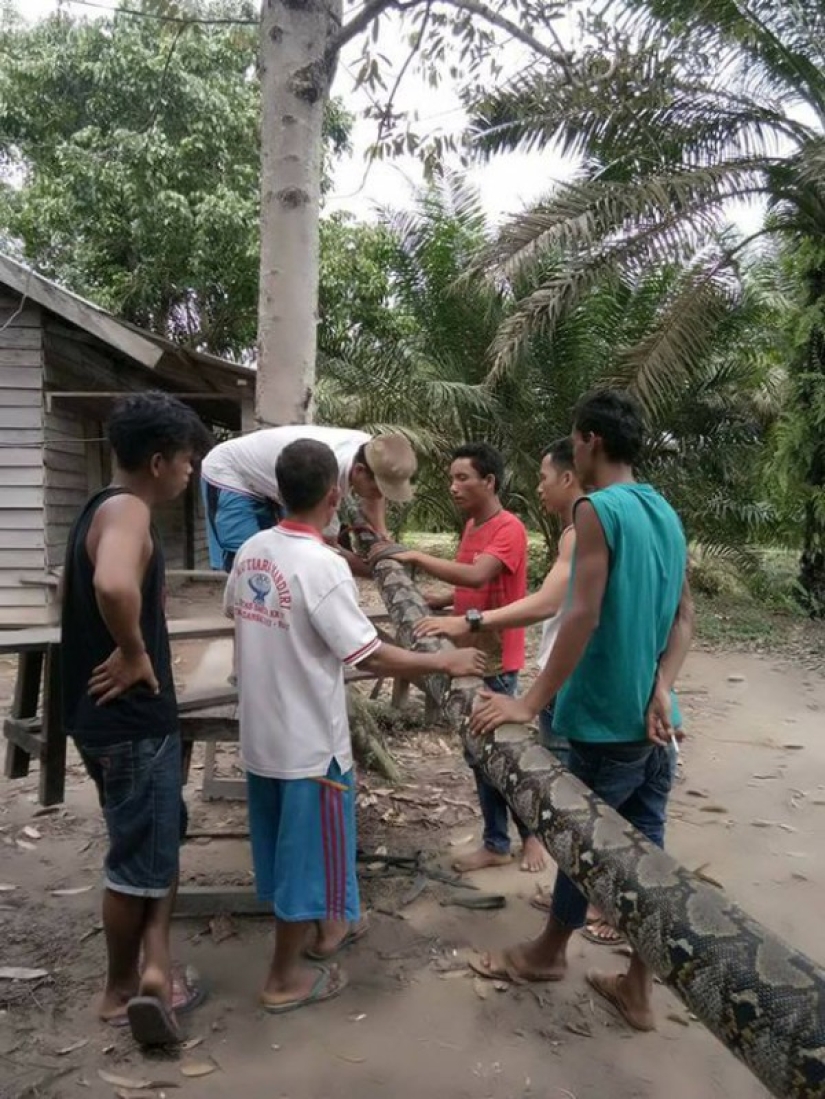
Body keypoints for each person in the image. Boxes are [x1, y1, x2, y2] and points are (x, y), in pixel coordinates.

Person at [224, 439, 486, 1014]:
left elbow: (238, 617)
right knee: (304, 860)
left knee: (286, 851)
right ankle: (283, 979)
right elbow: (368, 656)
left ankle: (331, 929)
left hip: (261, 737)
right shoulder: (322, 566)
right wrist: (442, 660)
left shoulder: (250, 552)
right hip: (309, 747)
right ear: (335, 495)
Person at [468, 389, 693, 1034]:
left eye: (574, 440)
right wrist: (662, 688)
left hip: (601, 720)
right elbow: (684, 619)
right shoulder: (664, 512)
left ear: (589, 440)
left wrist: (529, 699)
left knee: (580, 845)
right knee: (646, 852)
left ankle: (546, 954)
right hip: (657, 723)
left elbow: (582, 615)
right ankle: (638, 988)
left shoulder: (597, 509)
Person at [60, 392, 210, 1047]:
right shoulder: (128, 510)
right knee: (135, 859)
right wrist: (133, 649)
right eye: (186, 460)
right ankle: (121, 990)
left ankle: (157, 969)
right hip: (130, 721)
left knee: (157, 836)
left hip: (102, 719)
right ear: (157, 461)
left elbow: (70, 591)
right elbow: (113, 587)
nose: (189, 472)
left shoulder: (96, 507)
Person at [368, 443, 539, 873]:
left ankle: (524, 838)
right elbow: (472, 585)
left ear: (489, 482)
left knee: (502, 755)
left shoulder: (509, 528)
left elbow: (480, 574)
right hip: (466, 654)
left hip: (496, 662)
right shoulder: (472, 527)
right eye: (451, 478)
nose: (453, 486)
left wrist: (415, 556)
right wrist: (443, 599)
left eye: (463, 478)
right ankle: (501, 840)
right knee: (480, 757)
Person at [201, 425, 417, 573]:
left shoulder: (374, 450)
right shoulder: (326, 475)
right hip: (231, 472)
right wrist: (376, 571)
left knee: (281, 555)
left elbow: (375, 497)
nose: (380, 495)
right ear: (359, 471)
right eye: (378, 488)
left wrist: (382, 537)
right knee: (248, 560)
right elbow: (327, 547)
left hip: (270, 476)